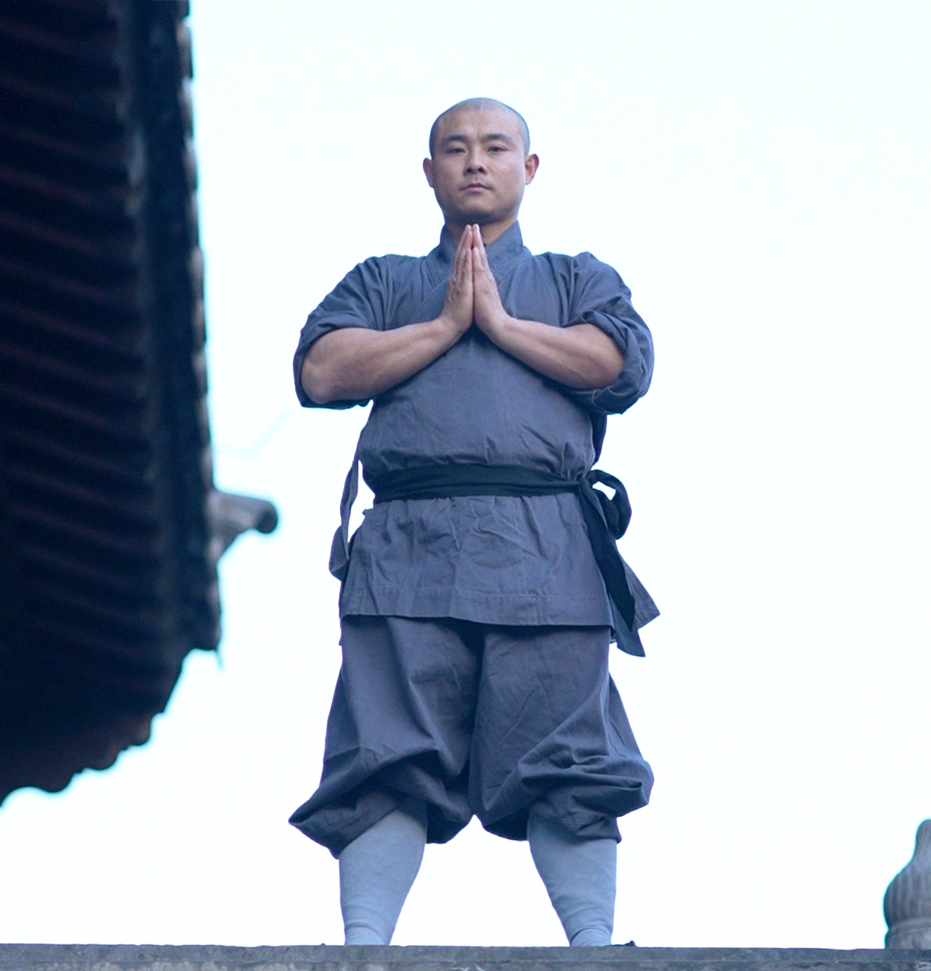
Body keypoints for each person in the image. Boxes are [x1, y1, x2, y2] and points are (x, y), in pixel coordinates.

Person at [288, 97, 658, 948]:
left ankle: (595, 945)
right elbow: (321, 368)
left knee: (570, 752)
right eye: (455, 149)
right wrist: (446, 324)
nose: (475, 161)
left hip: (548, 550)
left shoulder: (575, 278)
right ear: (430, 173)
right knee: (386, 746)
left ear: (529, 169)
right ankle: (364, 944)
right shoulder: (386, 280)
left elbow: (618, 362)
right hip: (409, 546)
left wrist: (498, 323)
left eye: (496, 147)